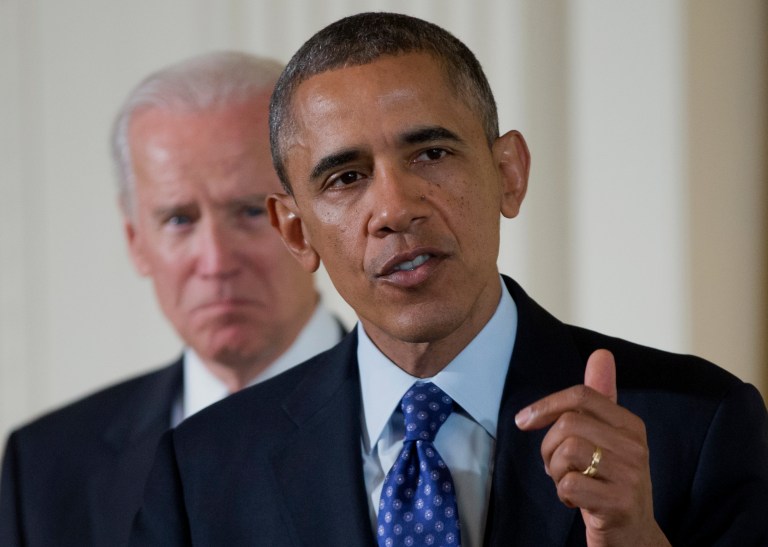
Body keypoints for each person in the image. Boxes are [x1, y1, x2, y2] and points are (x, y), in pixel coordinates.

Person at [129, 13, 768, 547]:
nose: (395, 208)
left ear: (509, 173)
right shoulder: (201, 472)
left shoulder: (699, 424)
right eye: (346, 177)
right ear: (296, 232)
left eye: (431, 154)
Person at [0, 51, 346, 547]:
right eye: (179, 220)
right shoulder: (44, 467)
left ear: (309, 220)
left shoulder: (416, 420)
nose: (216, 260)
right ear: (135, 240)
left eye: (250, 211)